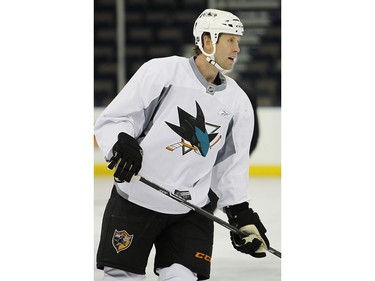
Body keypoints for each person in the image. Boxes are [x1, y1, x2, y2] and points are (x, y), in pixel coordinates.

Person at [94, 8, 270, 281]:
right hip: (136, 199)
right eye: (230, 40)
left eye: (238, 40)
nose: (237, 48)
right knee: (122, 277)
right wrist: (122, 141)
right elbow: (117, 118)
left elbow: (230, 166)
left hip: (191, 209)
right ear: (208, 41)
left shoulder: (238, 102)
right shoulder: (161, 72)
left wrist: (240, 212)